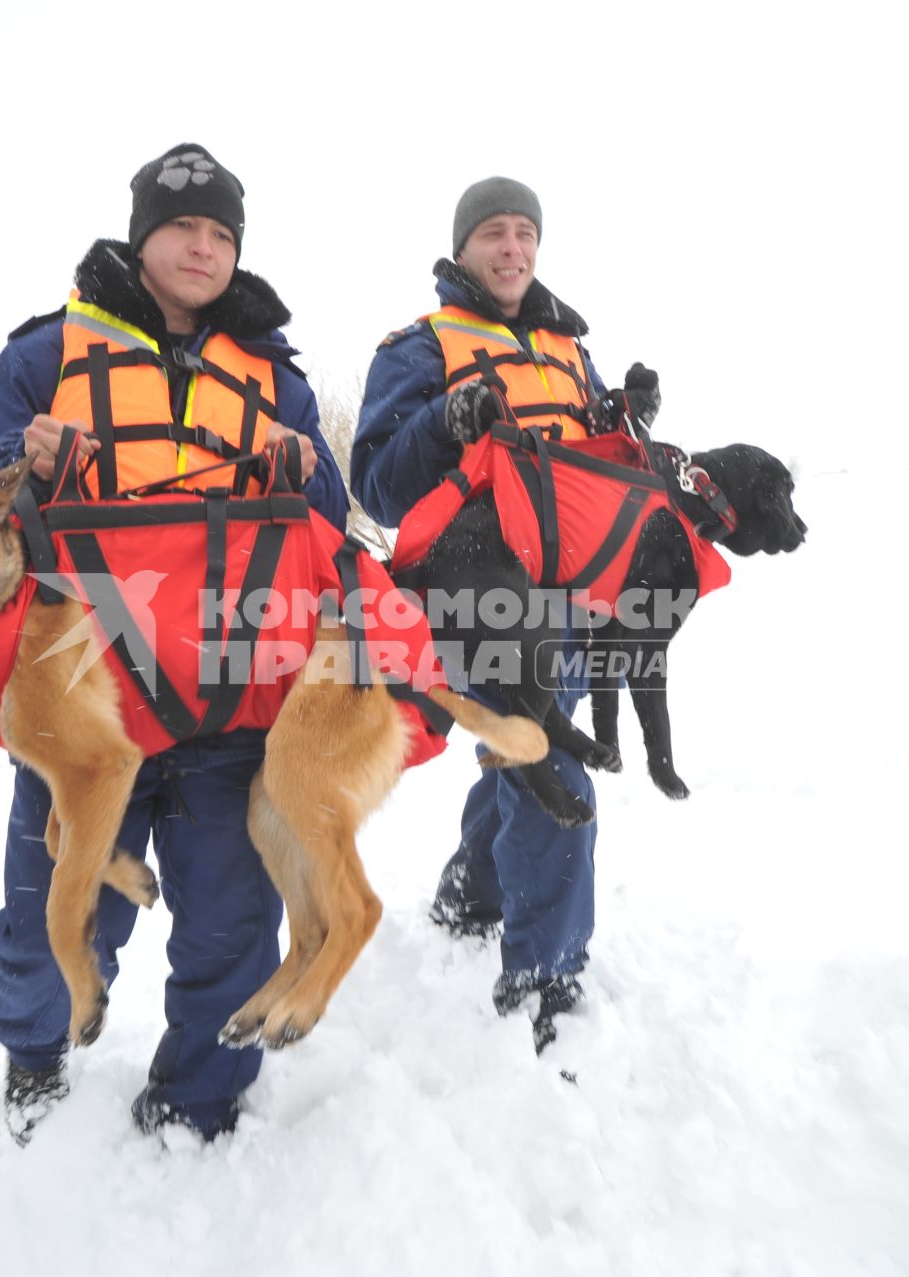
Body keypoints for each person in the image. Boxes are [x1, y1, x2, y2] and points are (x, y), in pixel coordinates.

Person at [0, 144, 348, 1144]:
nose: (202, 248)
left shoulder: (281, 383)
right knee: (52, 912)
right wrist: (17, 459)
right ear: (143, 235)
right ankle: (35, 1055)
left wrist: (306, 473)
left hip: (230, 699)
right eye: (183, 228)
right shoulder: (44, 355)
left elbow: (336, 522)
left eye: (221, 234)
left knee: (232, 924)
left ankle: (198, 1104)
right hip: (86, 697)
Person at [351, 177, 661, 1054]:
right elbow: (373, 482)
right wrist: (446, 423)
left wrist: (622, 417)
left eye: (526, 232)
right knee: (548, 762)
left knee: (520, 751)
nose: (514, 248)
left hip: (567, 588)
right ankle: (544, 971)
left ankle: (472, 893)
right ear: (464, 249)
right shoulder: (420, 345)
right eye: (495, 232)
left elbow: (597, 460)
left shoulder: (566, 346)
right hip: (473, 591)